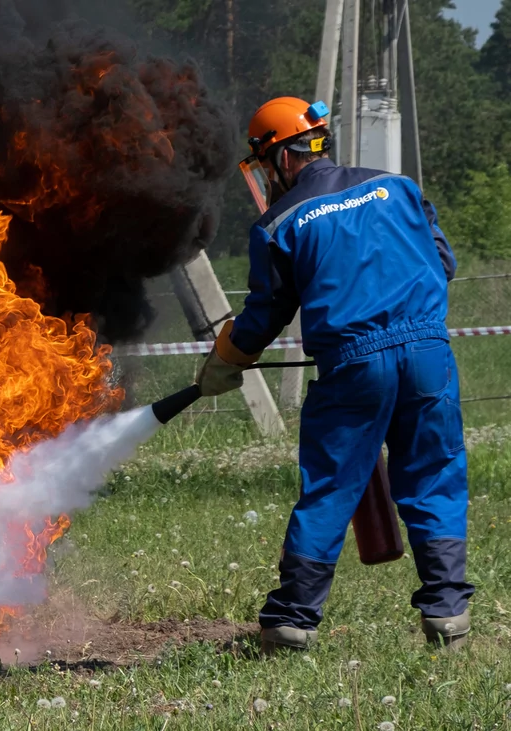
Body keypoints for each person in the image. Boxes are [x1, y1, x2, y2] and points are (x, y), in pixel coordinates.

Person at [196, 97, 473, 652]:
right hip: (427, 354)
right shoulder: (398, 186)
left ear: (277, 158)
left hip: (354, 364)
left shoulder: (279, 222)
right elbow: (443, 263)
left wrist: (227, 361)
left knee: (329, 487)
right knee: (434, 475)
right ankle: (447, 613)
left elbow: (266, 311)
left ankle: (292, 620)